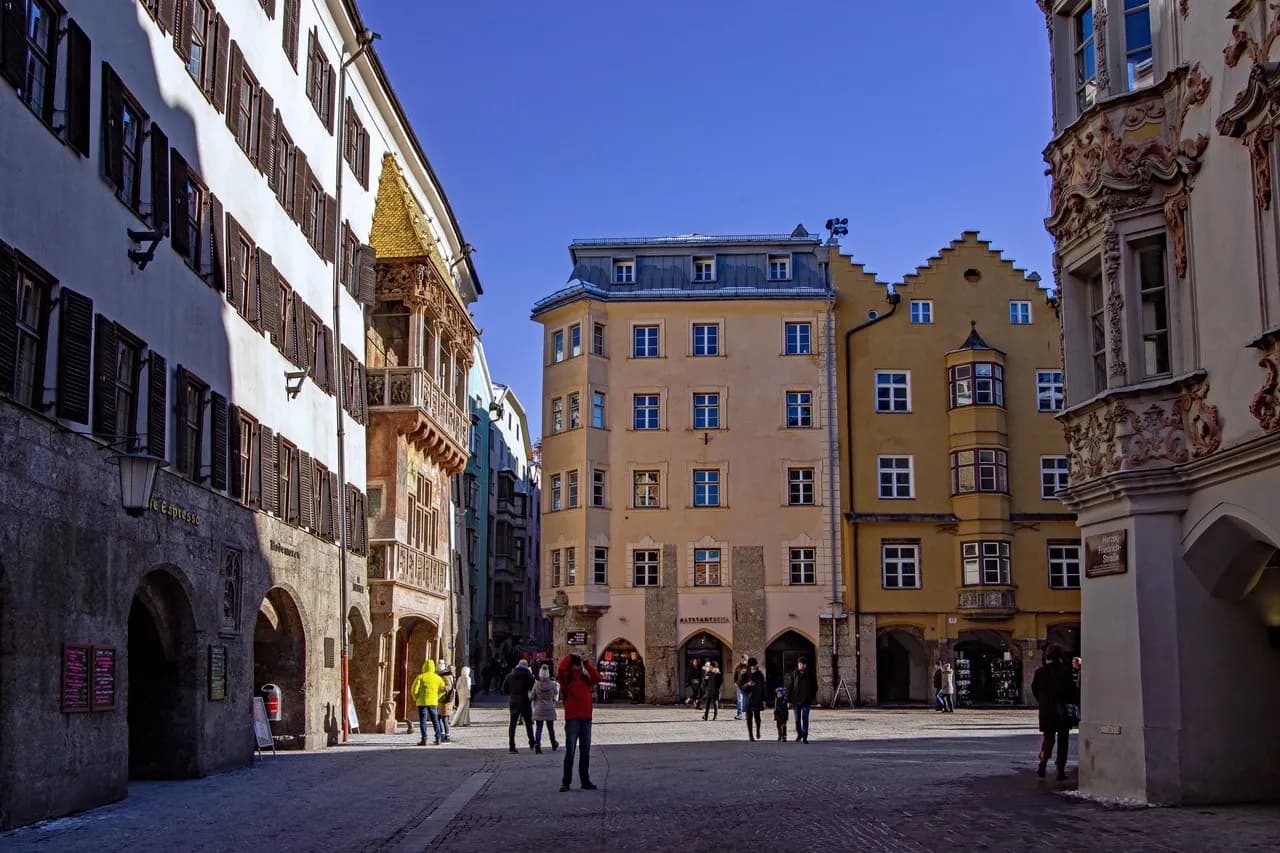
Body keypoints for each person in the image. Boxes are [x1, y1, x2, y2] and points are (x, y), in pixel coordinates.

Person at [1031, 643, 1079, 781]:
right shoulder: (1066, 671)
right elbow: (1072, 691)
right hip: (1062, 709)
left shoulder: (1040, 672)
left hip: (1047, 710)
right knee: (1063, 740)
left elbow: (1035, 689)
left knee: (1048, 737)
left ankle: (1043, 761)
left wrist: (1043, 701)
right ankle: (1060, 770)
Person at [557, 653, 601, 792]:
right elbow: (561, 669)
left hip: (586, 719)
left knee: (585, 752)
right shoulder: (567, 681)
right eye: (578, 666)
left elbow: (597, 677)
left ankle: (585, 780)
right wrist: (570, 656)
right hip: (573, 720)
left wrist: (586, 662)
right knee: (570, 751)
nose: (579, 668)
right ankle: (566, 782)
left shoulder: (586, 679)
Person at [502, 659, 537, 754]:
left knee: (512, 724)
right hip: (525, 701)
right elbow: (533, 688)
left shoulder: (510, 675)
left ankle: (511, 746)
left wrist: (512, 694)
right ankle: (532, 742)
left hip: (513, 701)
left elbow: (504, 689)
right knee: (528, 724)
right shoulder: (528, 676)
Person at [410, 660, 445, 746]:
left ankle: (424, 739)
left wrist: (416, 698)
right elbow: (443, 690)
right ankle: (438, 738)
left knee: (423, 721)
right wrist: (437, 697)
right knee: (435, 720)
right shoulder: (438, 678)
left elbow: (414, 690)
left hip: (422, 703)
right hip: (433, 702)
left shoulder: (420, 677)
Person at [786, 656, 817, 743]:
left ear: (805, 665)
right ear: (798, 665)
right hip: (796, 701)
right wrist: (789, 700)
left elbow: (815, 687)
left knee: (805, 718)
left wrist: (811, 697)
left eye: (803, 664)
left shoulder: (810, 674)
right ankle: (799, 734)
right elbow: (790, 687)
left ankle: (805, 737)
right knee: (797, 720)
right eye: (800, 664)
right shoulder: (794, 674)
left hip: (806, 701)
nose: (801, 666)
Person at [530, 664, 561, 754]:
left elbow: (532, 697)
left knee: (539, 728)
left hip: (539, 708)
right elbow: (556, 692)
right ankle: (553, 743)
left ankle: (538, 746)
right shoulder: (551, 684)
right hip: (549, 708)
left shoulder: (537, 685)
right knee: (550, 728)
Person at [737, 657, 766, 741]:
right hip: (748, 698)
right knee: (749, 718)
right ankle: (750, 735)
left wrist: (764, 699)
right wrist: (747, 684)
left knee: (757, 717)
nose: (753, 668)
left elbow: (763, 687)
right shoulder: (745, 674)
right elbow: (741, 687)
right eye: (751, 667)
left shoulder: (760, 675)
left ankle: (758, 730)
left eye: (754, 666)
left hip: (757, 698)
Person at [437, 661, 455, 742]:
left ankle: (446, 736)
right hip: (444, 700)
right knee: (441, 717)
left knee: (444, 718)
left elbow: (448, 687)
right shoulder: (446, 675)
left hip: (445, 700)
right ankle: (442, 734)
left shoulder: (445, 676)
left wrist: (440, 689)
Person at [733, 655, 749, 720]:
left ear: (747, 659)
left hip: (747, 686)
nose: (743, 660)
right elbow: (735, 675)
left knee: (747, 701)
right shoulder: (738, 667)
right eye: (742, 659)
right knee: (739, 701)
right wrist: (735, 682)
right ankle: (739, 715)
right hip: (739, 685)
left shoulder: (749, 667)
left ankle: (748, 715)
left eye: (744, 659)